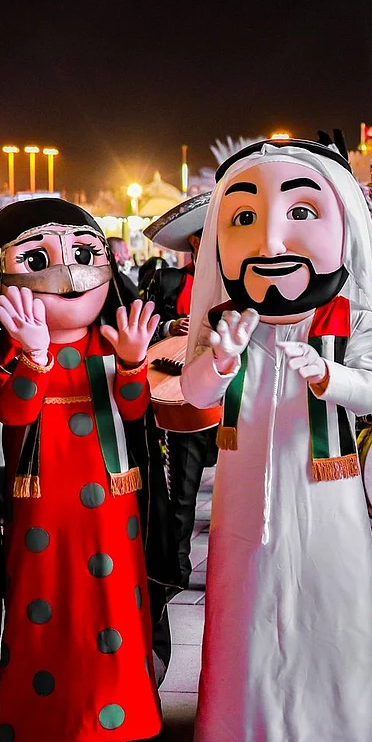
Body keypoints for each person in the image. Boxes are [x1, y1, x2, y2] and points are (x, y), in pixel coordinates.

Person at [181, 139, 372, 742]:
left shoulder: (349, 316)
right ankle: (243, 726)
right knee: (248, 600)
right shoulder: (227, 320)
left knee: (333, 597)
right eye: (244, 218)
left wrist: (331, 376)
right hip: (245, 491)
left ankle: (347, 726)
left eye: (301, 213)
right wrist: (220, 362)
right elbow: (194, 391)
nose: (271, 242)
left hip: (326, 490)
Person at [0, 198, 174, 742]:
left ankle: (125, 716)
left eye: (85, 254)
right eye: (37, 260)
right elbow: (12, 411)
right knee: (45, 599)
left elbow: (134, 409)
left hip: (113, 504)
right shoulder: (12, 351)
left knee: (115, 598)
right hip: (42, 504)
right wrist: (35, 357)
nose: (69, 273)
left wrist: (134, 361)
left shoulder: (107, 342)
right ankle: (44, 722)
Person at [143, 193, 217, 591]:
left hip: (232, 396)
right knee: (183, 490)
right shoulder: (169, 281)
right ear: (194, 241)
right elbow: (139, 323)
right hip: (181, 393)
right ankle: (177, 568)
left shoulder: (242, 280)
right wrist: (170, 328)